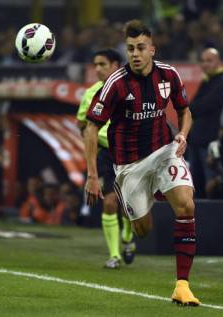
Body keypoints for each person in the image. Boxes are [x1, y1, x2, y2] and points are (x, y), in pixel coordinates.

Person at [85, 20, 200, 306]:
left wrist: (183, 134)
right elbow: (90, 127)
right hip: (129, 166)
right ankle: (146, 200)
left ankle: (182, 286)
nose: (135, 54)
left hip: (164, 152)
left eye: (140, 48)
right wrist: (90, 175)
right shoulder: (115, 83)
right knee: (143, 230)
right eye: (130, 49)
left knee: (186, 205)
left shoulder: (168, 75)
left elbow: (185, 111)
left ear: (152, 49)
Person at [77, 48, 135, 269]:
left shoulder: (132, 88)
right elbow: (82, 123)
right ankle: (115, 255)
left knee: (130, 206)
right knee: (110, 201)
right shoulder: (91, 93)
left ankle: (128, 238)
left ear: (116, 66)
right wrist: (86, 134)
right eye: (95, 65)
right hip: (105, 153)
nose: (98, 69)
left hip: (130, 153)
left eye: (103, 64)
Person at [188, 48, 223, 198]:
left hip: (210, 143)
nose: (205, 64)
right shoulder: (207, 81)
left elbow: (202, 105)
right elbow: (192, 107)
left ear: (218, 62)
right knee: (195, 187)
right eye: (203, 61)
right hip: (196, 141)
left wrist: (195, 107)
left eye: (209, 60)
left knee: (210, 186)